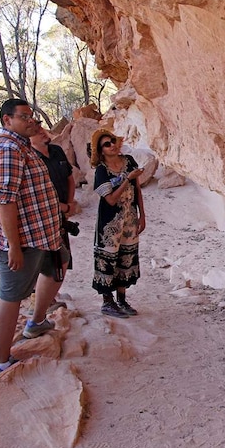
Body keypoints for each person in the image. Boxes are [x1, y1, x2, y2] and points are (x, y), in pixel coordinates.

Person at [0, 98, 68, 375]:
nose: (32, 121)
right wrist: (13, 247)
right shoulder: (7, 149)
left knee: (58, 268)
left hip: (43, 234)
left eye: (32, 116)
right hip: (25, 239)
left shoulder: (22, 147)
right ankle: (1, 361)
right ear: (7, 120)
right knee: (11, 296)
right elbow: (4, 201)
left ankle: (37, 322)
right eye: (24, 117)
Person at [89, 129, 145, 318]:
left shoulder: (128, 161)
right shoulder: (101, 170)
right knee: (108, 259)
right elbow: (111, 200)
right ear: (101, 150)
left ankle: (122, 299)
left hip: (129, 219)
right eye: (106, 144)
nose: (112, 145)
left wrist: (142, 215)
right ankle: (107, 302)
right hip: (109, 224)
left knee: (125, 258)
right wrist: (126, 179)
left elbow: (137, 189)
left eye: (113, 141)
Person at [30, 128, 77, 313]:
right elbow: (38, 196)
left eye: (41, 127)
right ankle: (43, 303)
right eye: (37, 130)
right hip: (43, 216)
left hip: (61, 213)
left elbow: (69, 179)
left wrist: (69, 204)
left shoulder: (56, 150)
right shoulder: (30, 158)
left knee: (60, 256)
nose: (42, 131)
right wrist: (64, 208)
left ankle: (50, 297)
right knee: (47, 258)